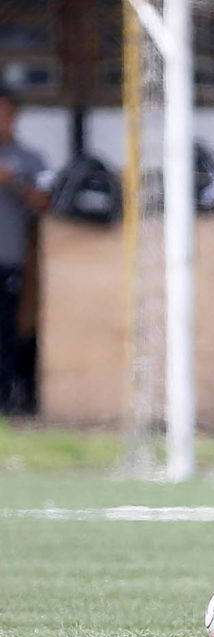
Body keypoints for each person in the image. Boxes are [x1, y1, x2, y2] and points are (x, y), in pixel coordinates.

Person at [0, 89, 49, 415]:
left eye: (4, 114)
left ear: (14, 118)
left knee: (6, 333)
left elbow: (46, 205)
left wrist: (14, 182)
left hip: (8, 261)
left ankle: (6, 399)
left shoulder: (31, 160)